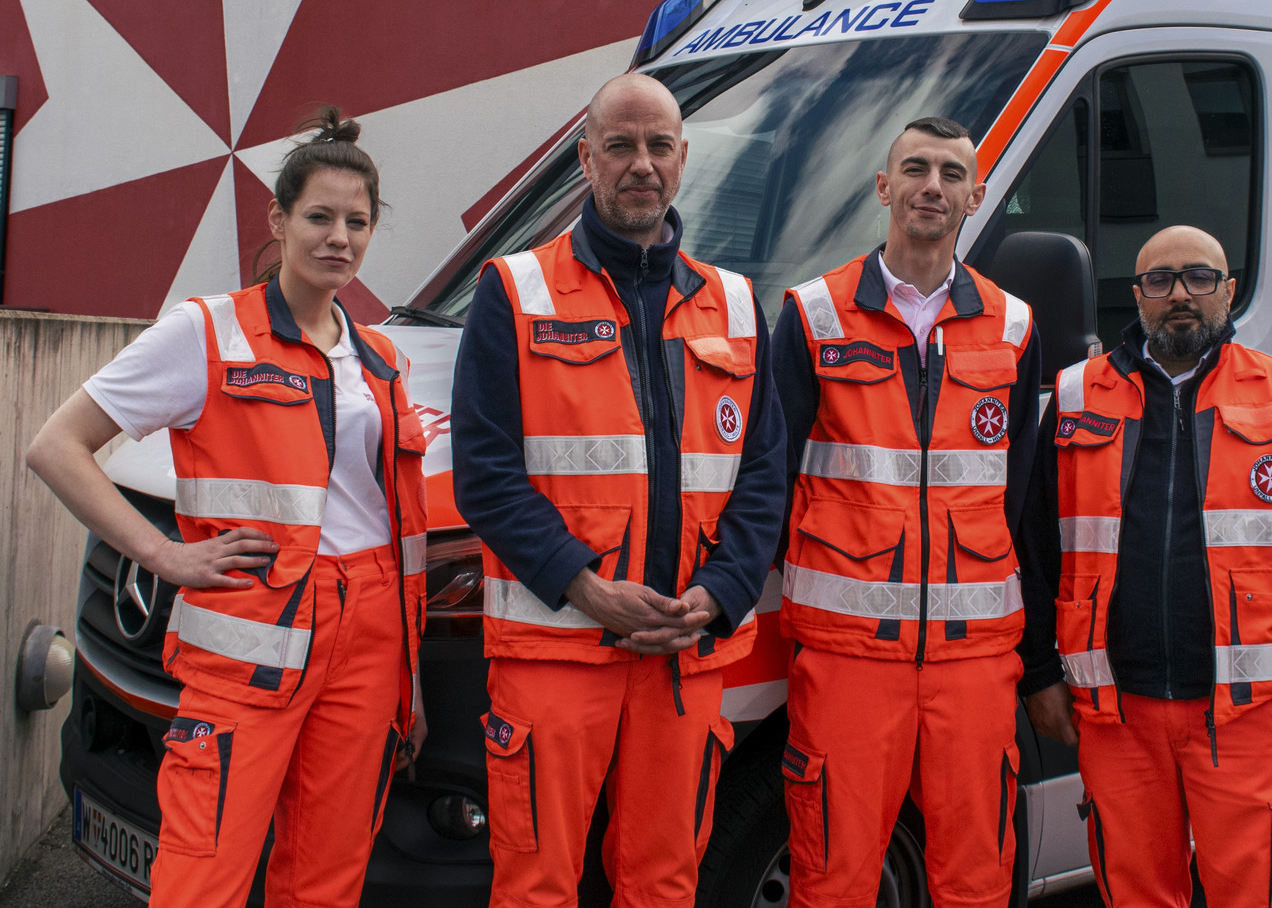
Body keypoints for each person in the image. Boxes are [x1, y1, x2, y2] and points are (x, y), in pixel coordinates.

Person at [27, 109, 429, 908]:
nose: (339, 238)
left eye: (357, 221)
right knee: (199, 879)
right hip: (249, 651)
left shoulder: (381, 354)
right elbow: (55, 446)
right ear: (278, 221)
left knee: (327, 878)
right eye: (319, 216)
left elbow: (396, 522)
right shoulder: (207, 333)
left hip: (374, 641)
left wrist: (408, 681)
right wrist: (163, 553)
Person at [451, 73, 785, 907]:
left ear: (682, 158)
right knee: (535, 886)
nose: (642, 164)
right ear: (585, 158)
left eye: (659, 146)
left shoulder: (738, 306)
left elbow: (764, 475)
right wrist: (587, 587)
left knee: (665, 884)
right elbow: (485, 472)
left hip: (683, 650)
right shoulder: (514, 292)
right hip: (557, 648)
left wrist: (720, 592)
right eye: (621, 145)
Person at [1020, 225, 1272, 908]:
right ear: (1137, 296)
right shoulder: (1070, 400)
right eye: (1161, 279)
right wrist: (1037, 674)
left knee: (1260, 896)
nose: (1180, 293)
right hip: (1118, 721)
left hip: (1246, 719)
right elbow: (1034, 551)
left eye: (1200, 277)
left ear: (1228, 291)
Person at [770, 116, 1043, 908]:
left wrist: (1045, 660)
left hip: (975, 662)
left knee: (978, 877)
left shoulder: (1014, 326)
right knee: (834, 879)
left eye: (952, 174)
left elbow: (1020, 493)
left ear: (976, 195)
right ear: (884, 187)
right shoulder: (816, 315)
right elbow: (771, 477)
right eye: (915, 168)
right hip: (849, 658)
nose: (933, 185)